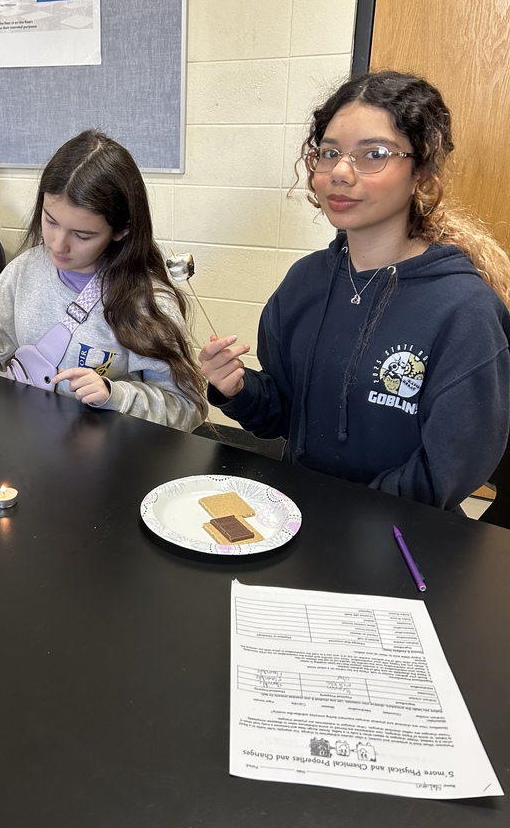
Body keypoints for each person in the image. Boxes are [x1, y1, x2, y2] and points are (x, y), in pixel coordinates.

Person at [200, 70, 510, 511]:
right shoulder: (304, 281)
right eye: (329, 153)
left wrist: (344, 518)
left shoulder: (464, 309)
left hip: (401, 536)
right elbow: (285, 416)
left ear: (420, 173)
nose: (340, 173)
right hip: (295, 519)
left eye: (374, 154)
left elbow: (449, 467)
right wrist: (238, 390)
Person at [0, 130, 207, 431]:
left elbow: (186, 407)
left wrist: (113, 394)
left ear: (121, 231)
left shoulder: (147, 304)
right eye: (50, 221)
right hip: (27, 445)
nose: (58, 245)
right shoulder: (27, 269)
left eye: (82, 234)